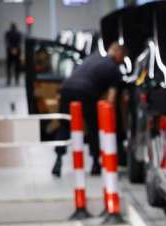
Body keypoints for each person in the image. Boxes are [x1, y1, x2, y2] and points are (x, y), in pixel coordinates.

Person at [51, 42, 128, 178]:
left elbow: (72, 75)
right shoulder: (114, 70)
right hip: (87, 92)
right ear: (119, 54)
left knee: (64, 125)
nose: (122, 61)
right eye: (123, 58)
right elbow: (111, 99)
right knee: (93, 126)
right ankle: (95, 163)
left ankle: (58, 161)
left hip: (67, 88)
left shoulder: (91, 58)